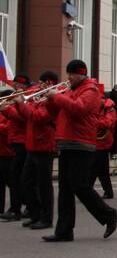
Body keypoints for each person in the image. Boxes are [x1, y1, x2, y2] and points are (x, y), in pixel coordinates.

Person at [42, 60, 117, 242]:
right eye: (68, 74)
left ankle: (109, 215)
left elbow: (78, 109)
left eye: (72, 75)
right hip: (67, 142)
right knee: (65, 189)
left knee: (80, 186)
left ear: (82, 74)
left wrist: (57, 96)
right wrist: (49, 99)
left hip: (81, 143)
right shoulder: (71, 90)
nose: (68, 78)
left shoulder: (91, 90)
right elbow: (56, 113)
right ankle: (64, 231)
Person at [16, 71, 59, 229]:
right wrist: (18, 103)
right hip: (32, 144)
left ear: (49, 83)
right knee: (26, 182)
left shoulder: (52, 99)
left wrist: (21, 103)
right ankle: (35, 215)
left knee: (44, 185)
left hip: (44, 145)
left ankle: (46, 219)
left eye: (41, 83)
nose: (38, 86)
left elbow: (39, 117)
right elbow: (27, 116)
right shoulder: (38, 97)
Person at [0, 74, 32, 221]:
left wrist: (7, 110)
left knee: (18, 178)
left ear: (25, 86)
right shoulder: (14, 98)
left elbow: (24, 118)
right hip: (14, 140)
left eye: (19, 85)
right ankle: (19, 207)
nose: (16, 88)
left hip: (22, 141)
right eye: (15, 85)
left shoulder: (27, 99)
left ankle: (18, 208)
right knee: (16, 177)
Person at [90, 87, 116, 200]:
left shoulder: (109, 109)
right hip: (94, 142)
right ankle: (108, 192)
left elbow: (108, 122)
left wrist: (93, 122)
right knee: (101, 170)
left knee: (94, 169)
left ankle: (87, 191)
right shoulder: (96, 108)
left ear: (103, 99)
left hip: (103, 142)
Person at [0, 95, 14, 215]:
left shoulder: (10, 113)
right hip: (1, 151)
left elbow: (8, 129)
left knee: (11, 181)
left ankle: (18, 205)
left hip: (8, 152)